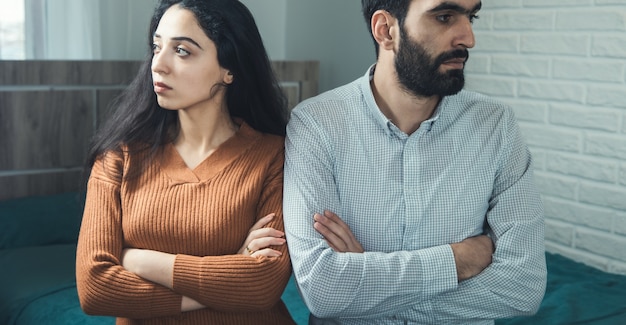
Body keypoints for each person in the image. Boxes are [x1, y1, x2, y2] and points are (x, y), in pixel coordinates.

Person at [283, 0, 547, 324]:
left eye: (471, 17)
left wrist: (368, 291)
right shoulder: (316, 124)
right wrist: (457, 261)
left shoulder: (496, 125)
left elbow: (524, 286)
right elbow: (323, 289)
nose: (468, 38)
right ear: (386, 30)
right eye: (444, 17)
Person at [75, 0, 295, 324]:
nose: (158, 65)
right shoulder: (118, 156)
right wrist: (226, 277)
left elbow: (263, 284)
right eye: (156, 47)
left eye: (182, 51)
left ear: (229, 69)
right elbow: (95, 289)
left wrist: (140, 260)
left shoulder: (274, 155)